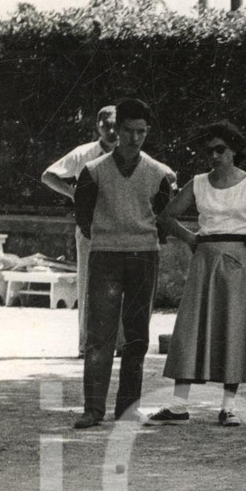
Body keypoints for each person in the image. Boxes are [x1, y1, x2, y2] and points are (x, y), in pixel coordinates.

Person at [150, 122, 246, 427]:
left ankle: (229, 408)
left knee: (235, 329)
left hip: (241, 265)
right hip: (205, 262)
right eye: (209, 150)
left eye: (220, 149)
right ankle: (177, 406)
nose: (214, 155)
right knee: (190, 328)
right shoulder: (198, 183)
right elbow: (166, 216)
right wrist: (189, 238)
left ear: (234, 150)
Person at [72, 98, 176, 429]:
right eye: (129, 131)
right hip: (104, 257)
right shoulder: (93, 171)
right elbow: (83, 216)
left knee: (136, 336)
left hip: (144, 257)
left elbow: (163, 216)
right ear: (117, 130)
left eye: (141, 132)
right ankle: (93, 408)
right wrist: (109, 238)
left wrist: (140, 240)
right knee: (99, 334)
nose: (135, 139)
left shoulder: (159, 174)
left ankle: (128, 408)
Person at [40, 104, 118, 356]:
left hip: (121, 226)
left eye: (116, 125)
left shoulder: (129, 153)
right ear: (98, 126)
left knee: (120, 284)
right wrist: (73, 193)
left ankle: (120, 344)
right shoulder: (84, 153)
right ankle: (87, 345)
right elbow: (48, 175)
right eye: (106, 125)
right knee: (88, 285)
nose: (112, 131)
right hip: (90, 226)